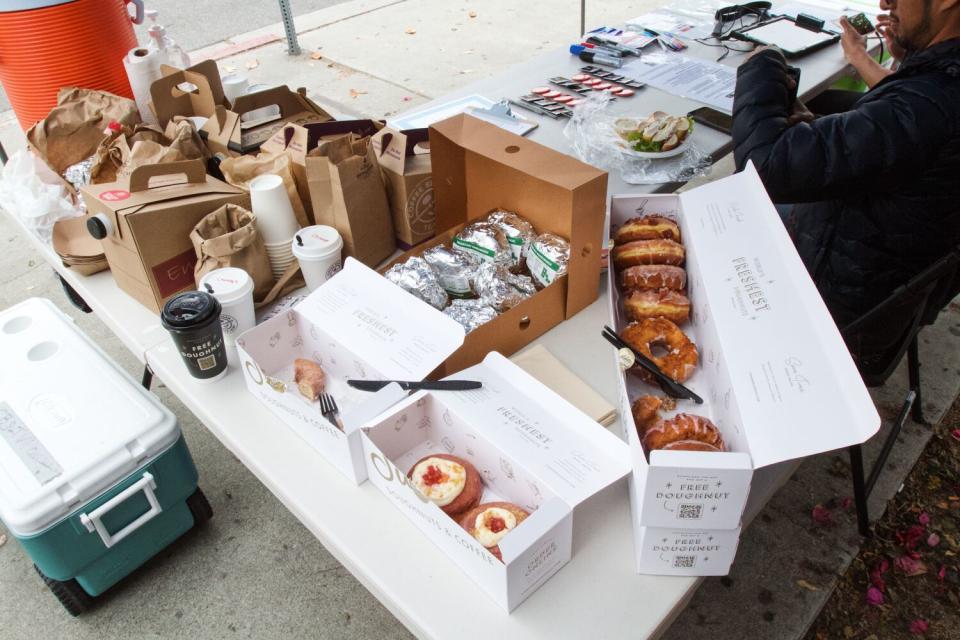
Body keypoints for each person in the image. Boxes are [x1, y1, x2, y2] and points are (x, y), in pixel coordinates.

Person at [731, 0, 960, 352]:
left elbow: (762, 166)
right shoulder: (938, 80)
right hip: (884, 268)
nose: (886, 3)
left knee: (719, 208)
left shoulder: (931, 101)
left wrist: (762, 62)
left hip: (841, 307)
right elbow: (902, 148)